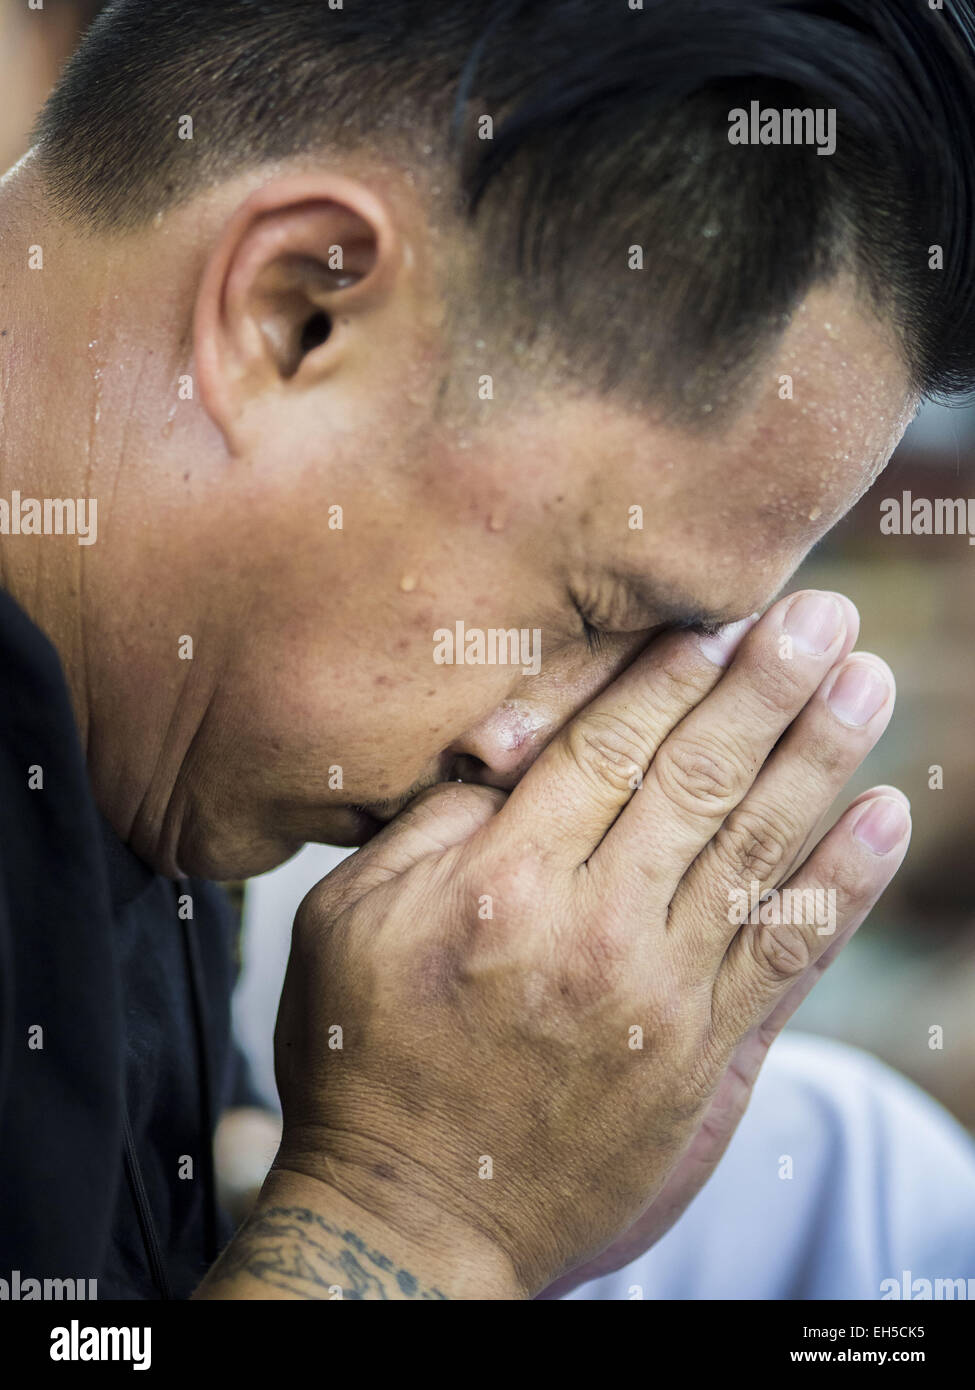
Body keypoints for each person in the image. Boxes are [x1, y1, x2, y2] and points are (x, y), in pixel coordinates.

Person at [0, 0, 973, 1301]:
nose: (528, 751)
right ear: (299, 313)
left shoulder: (141, 729)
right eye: (591, 618)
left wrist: (507, 1139)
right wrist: (417, 1208)